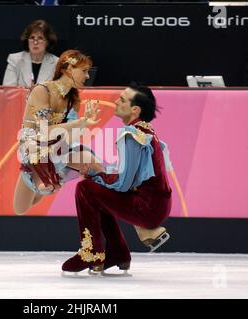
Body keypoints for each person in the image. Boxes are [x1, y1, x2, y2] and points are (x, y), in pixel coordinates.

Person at [61, 85, 172, 275]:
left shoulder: (130, 135)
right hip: (157, 203)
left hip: (146, 207)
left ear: (135, 109)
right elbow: (129, 176)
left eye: (121, 100)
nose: (116, 102)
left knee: (85, 188)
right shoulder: (144, 130)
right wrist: (100, 176)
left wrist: (97, 174)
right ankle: (118, 252)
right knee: (96, 190)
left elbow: (123, 184)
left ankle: (92, 252)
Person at [13, 49, 103, 215]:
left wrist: (83, 126)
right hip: (35, 149)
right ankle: (39, 177)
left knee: (96, 165)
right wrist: (81, 122)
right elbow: (45, 133)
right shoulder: (42, 91)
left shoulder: (73, 99)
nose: (87, 76)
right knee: (21, 208)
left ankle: (125, 211)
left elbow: (70, 136)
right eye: (84, 71)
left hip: (58, 146)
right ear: (68, 69)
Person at [3, 20, 59, 87]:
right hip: (21, 98)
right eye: (32, 38)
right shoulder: (15, 60)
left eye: (40, 38)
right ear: (27, 40)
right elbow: (8, 91)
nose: (35, 42)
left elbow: (58, 93)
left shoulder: (57, 63)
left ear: (47, 42)